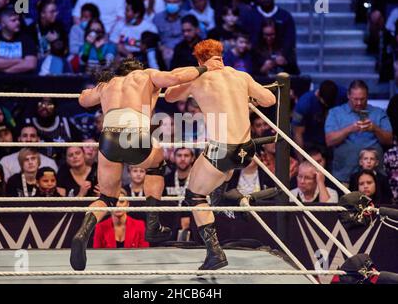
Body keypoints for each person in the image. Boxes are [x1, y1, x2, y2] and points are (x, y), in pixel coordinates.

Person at [70, 56, 224, 271]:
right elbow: (174, 77)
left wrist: (94, 90)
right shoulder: (146, 75)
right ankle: (152, 223)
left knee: (107, 197)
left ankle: (82, 233)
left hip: (107, 139)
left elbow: (83, 100)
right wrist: (205, 68)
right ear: (137, 68)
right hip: (134, 135)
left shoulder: (108, 84)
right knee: (157, 163)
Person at [164, 39, 276, 270]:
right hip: (247, 150)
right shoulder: (240, 76)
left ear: (199, 60)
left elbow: (169, 96)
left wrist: (197, 73)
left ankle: (215, 252)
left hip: (222, 149)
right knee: (214, 176)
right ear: (221, 55)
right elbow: (270, 99)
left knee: (194, 196)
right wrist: (245, 97)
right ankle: (236, 200)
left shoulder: (199, 77)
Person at [325, 80, 393, 183]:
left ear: (367, 96)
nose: (359, 103)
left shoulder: (378, 113)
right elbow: (329, 140)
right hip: (344, 176)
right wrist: (350, 129)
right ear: (348, 95)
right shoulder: (335, 113)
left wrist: (375, 129)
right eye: (355, 99)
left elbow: (389, 140)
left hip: (375, 179)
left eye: (362, 99)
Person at [0, 6, 38, 74]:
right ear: (3, 24)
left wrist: (6, 72)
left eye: (18, 20)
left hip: (21, 80)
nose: (18, 23)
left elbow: (31, 64)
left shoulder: (26, 39)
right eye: (13, 20)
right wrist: (18, 61)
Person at [292, 80, 344, 151]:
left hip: (336, 139)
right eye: (325, 104)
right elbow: (297, 133)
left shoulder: (343, 94)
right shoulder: (303, 104)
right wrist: (302, 160)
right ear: (317, 94)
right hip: (311, 141)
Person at [153, 0, 186, 67]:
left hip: (183, 50)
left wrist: (177, 50)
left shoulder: (187, 17)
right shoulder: (157, 18)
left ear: (180, 2)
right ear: (165, 2)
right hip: (164, 52)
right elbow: (153, 39)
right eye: (169, 2)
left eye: (174, 2)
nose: (171, 5)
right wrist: (162, 48)